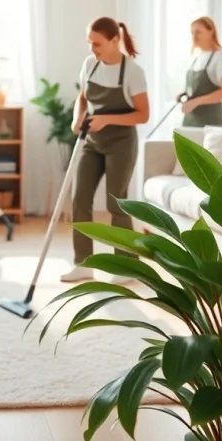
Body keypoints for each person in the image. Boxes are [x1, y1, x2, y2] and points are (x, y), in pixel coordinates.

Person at [62, 17, 151, 283]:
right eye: (90, 43)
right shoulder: (89, 65)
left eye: (97, 43)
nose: (92, 49)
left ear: (115, 40)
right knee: (80, 198)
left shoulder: (133, 71)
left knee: (117, 202)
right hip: (92, 141)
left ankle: (126, 265)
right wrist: (77, 118)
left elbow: (143, 115)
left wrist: (107, 119)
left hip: (121, 143)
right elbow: (83, 98)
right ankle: (83, 263)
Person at [180, 16, 222, 127]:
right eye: (192, 32)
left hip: (211, 124)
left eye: (198, 32)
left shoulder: (220, 56)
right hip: (191, 121)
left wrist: (195, 102)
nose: (194, 36)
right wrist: (184, 93)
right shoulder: (198, 57)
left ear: (211, 32)